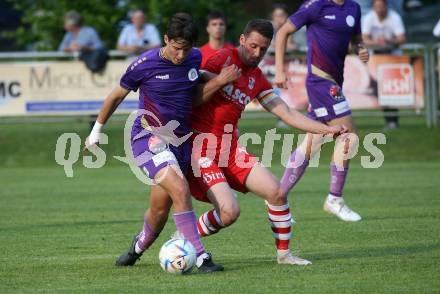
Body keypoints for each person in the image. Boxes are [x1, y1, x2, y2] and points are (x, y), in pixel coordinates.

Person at [180, 19, 347, 266]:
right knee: (229, 213)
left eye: (264, 48)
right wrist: (219, 80)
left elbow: (287, 113)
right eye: (253, 46)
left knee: (277, 193)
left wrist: (327, 129)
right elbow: (190, 98)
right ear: (243, 40)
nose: (257, 53)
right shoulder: (220, 59)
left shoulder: (256, 78)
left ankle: (284, 255)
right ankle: (183, 240)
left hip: (230, 149)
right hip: (200, 148)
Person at [84, 13, 241, 273]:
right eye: (176, 48)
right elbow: (115, 97)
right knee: (180, 189)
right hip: (148, 138)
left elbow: (193, 97)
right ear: (166, 39)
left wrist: (213, 78)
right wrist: (96, 131)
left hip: (180, 142)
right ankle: (201, 258)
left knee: (159, 211)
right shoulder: (144, 64)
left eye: (186, 49)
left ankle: (137, 247)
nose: (181, 55)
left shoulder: (193, 57)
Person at [274, 0, 370, 222]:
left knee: (313, 141)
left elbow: (357, 39)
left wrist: (361, 48)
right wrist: (279, 70)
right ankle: (334, 199)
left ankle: (277, 197)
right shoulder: (316, 6)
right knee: (349, 137)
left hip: (335, 81)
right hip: (321, 82)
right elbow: (283, 32)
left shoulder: (353, 8)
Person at [362, 0, 406, 130]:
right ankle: (389, 120)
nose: (379, 9)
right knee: (381, 92)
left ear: (386, 6)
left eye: (381, 6)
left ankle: (393, 121)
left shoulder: (395, 17)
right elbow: (364, 38)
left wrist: (389, 41)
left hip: (393, 58)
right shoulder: (369, 18)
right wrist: (376, 42)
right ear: (373, 8)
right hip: (376, 60)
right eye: (377, 7)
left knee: (391, 91)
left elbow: (402, 38)